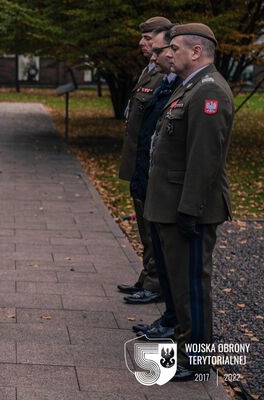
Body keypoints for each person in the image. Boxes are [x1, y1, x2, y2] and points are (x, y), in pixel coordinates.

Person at [144, 23, 234, 381]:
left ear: (196, 51)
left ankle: (196, 359)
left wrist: (189, 210)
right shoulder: (191, 88)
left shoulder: (209, 92)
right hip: (172, 204)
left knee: (193, 285)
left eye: (176, 48)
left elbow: (204, 159)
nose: (169, 53)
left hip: (188, 208)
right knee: (181, 286)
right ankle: (185, 347)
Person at [130, 26, 181, 340]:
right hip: (149, 171)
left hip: (171, 188)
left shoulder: (201, 89)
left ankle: (188, 338)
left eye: (166, 49)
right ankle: (171, 316)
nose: (164, 56)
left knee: (182, 269)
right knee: (156, 245)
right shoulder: (171, 82)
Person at [117, 16, 172, 304]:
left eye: (149, 38)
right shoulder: (149, 70)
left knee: (152, 228)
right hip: (138, 162)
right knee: (144, 226)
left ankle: (154, 283)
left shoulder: (165, 75)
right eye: (143, 37)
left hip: (150, 166)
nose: (142, 42)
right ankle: (147, 275)